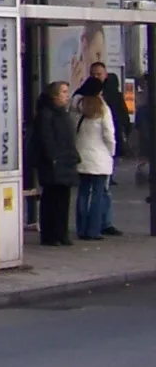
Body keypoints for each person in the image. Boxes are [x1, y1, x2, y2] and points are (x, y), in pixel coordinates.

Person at [33, 81, 79, 247]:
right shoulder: (46, 114)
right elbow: (46, 138)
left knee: (63, 199)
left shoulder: (63, 114)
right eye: (64, 92)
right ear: (54, 95)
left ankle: (62, 233)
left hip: (65, 160)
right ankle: (50, 234)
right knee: (52, 198)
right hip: (53, 162)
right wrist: (53, 157)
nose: (66, 96)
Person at [75, 90, 117, 242]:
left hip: (82, 158)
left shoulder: (79, 109)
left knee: (83, 194)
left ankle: (81, 228)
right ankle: (93, 230)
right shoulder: (103, 110)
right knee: (98, 195)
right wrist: (111, 153)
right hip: (99, 158)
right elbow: (109, 135)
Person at [76, 57, 132, 162]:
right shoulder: (84, 92)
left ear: (105, 75)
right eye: (93, 75)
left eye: (99, 74)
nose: (96, 77)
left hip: (113, 135)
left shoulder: (113, 94)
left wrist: (123, 133)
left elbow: (123, 115)